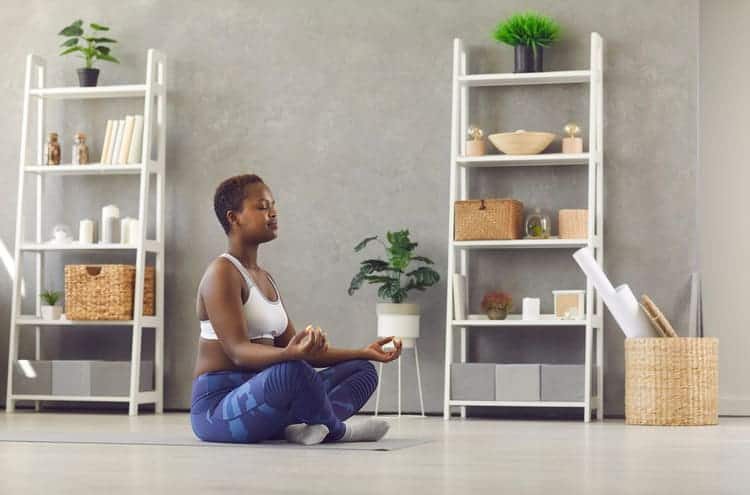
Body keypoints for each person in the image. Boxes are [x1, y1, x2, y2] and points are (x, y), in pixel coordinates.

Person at [190, 173, 402, 445]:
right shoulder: (221, 272)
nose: (273, 213)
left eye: (273, 205)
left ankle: (307, 426)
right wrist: (291, 354)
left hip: (265, 396)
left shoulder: (266, 279)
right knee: (292, 370)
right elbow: (239, 352)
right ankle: (337, 430)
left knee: (361, 370)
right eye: (262, 207)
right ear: (234, 218)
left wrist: (362, 351)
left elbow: (300, 351)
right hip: (218, 409)